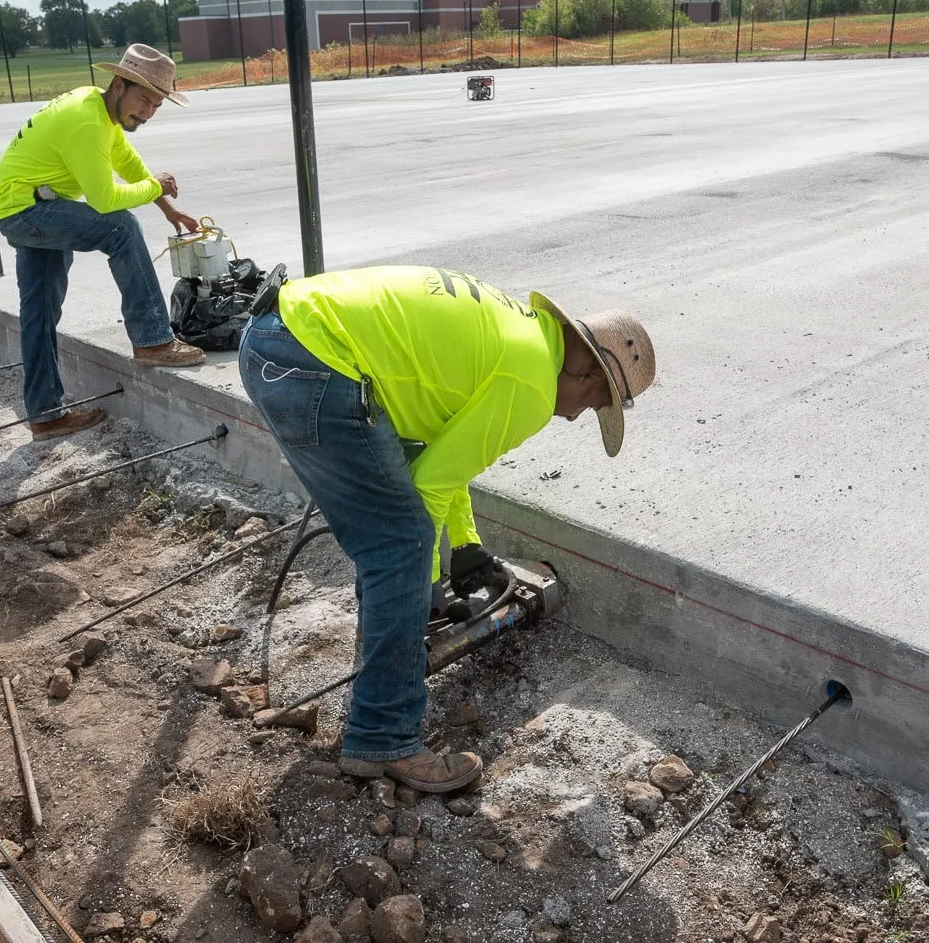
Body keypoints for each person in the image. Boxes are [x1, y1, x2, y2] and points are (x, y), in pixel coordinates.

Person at [239, 266, 657, 792]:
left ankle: (380, 670)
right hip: (312, 362)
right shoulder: (528, 384)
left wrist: (465, 547)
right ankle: (384, 736)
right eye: (593, 405)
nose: (575, 418)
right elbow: (430, 489)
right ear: (588, 375)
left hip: (279, 339)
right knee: (400, 543)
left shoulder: (523, 338)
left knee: (393, 541)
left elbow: (440, 456)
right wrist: (428, 580)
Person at [0, 44, 205, 441]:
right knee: (120, 227)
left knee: (39, 311)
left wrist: (168, 209)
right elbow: (105, 202)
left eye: (157, 105)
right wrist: (156, 186)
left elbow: (128, 163)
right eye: (144, 101)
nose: (149, 113)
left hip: (20, 206)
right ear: (119, 85)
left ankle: (46, 415)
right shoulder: (87, 123)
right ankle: (153, 341)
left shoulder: (99, 108)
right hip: (27, 211)